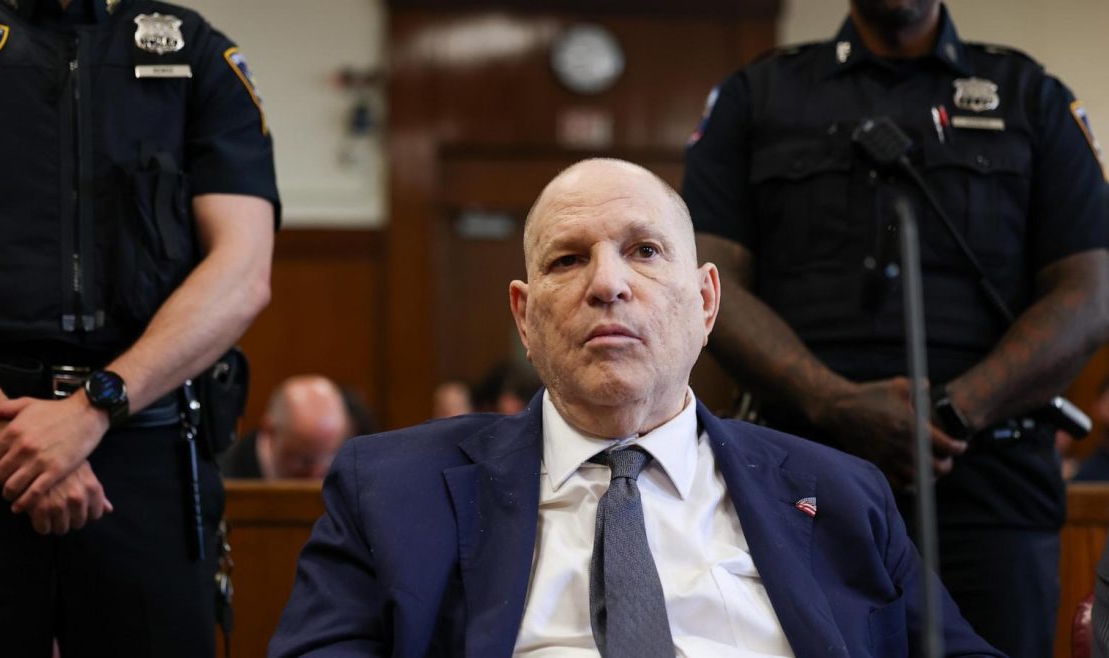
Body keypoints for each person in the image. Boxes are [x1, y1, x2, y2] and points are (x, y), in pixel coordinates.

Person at [269, 159, 1001, 657]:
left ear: (706, 302)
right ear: (524, 317)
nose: (607, 284)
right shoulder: (391, 490)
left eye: (645, 251)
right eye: (568, 259)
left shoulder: (842, 495)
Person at [681, 1, 1109, 654]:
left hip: (989, 486)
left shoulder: (1030, 96)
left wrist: (954, 411)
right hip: (799, 476)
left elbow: (1091, 292)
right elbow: (709, 280)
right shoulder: (759, 95)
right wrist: (833, 402)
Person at [0, 0, 278, 656]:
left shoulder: (195, 52)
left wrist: (93, 409)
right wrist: (14, 442)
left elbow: (242, 272)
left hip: (143, 445)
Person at [222, 375, 354, 480]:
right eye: (306, 461)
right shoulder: (224, 478)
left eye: (330, 458)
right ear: (270, 431)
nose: (318, 474)